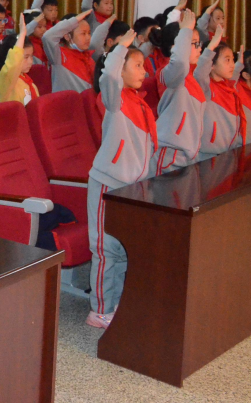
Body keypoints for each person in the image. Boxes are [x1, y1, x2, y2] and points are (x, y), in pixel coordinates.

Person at [86, 29, 155, 330]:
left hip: (133, 189)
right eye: (137, 65)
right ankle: (99, 311)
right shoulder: (114, 101)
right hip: (108, 185)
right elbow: (108, 76)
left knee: (127, 249)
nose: (144, 71)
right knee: (106, 250)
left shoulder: (140, 103)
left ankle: (118, 305)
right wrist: (120, 48)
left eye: (144, 65)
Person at [154, 10, 213, 172]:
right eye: (193, 43)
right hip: (171, 152)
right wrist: (186, 31)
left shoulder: (190, 76)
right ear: (176, 47)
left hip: (188, 153)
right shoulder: (166, 72)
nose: (199, 48)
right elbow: (179, 63)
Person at [200, 31, 245, 157]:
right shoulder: (205, 87)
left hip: (230, 151)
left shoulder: (227, 86)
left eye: (232, 60)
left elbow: (233, 77)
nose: (232, 65)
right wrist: (210, 49)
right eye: (227, 60)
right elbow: (200, 72)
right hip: (209, 154)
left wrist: (239, 64)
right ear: (211, 64)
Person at [43, 10, 96, 93]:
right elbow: (47, 37)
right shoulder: (59, 56)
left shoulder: (87, 56)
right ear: (67, 36)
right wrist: (74, 21)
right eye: (83, 33)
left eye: (89, 33)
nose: (88, 37)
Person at [0, 24, 40, 104]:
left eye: (31, 56)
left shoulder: (29, 82)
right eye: (25, 57)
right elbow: (14, 63)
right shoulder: (5, 80)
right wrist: (22, 34)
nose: (30, 61)